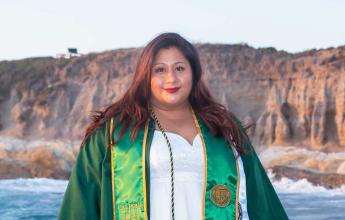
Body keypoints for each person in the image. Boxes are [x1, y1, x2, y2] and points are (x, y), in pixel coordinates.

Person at [58, 32, 289, 220]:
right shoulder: (113, 135)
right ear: (145, 76)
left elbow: (262, 203)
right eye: (160, 70)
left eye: (180, 68)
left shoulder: (225, 129)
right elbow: (80, 208)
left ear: (193, 73)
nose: (171, 79)